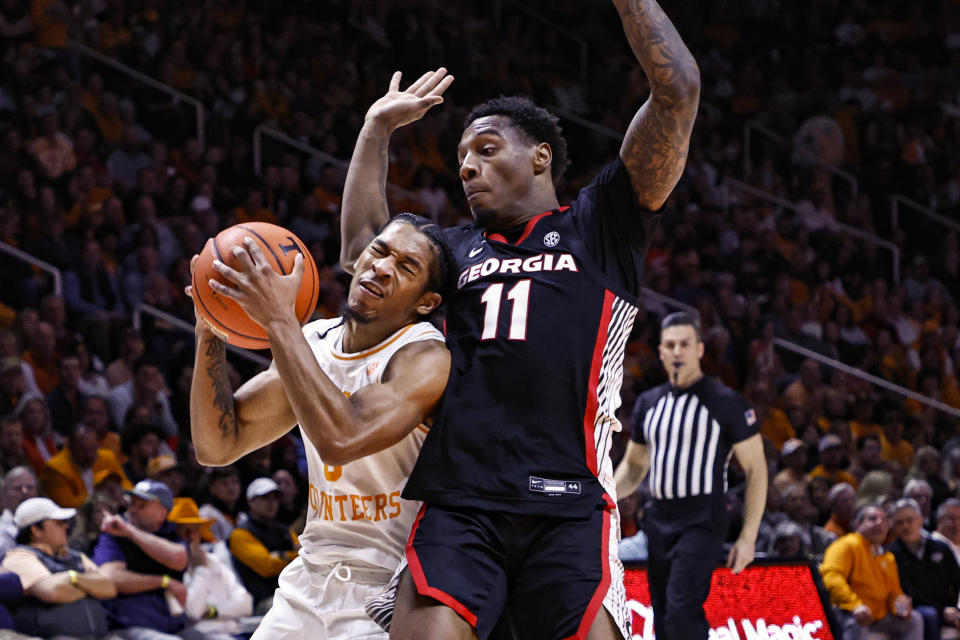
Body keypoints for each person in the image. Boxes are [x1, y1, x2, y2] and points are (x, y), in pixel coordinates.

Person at [339, 1, 700, 636]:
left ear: (539, 157)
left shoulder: (600, 224)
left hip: (572, 503)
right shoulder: (452, 251)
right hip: (460, 503)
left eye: (484, 149)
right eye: (460, 162)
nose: (468, 168)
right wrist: (375, 131)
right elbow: (362, 250)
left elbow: (677, 93)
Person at [187, 213, 452, 639]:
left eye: (406, 267)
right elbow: (218, 445)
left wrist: (278, 321)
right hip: (307, 581)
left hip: (389, 591)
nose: (382, 267)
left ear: (426, 302)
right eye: (379, 251)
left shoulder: (425, 359)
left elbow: (342, 438)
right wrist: (211, 328)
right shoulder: (313, 343)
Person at [614, 312, 767, 640]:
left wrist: (748, 537)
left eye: (685, 344)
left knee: (682, 610)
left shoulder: (726, 402)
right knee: (664, 617)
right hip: (658, 517)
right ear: (661, 352)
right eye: (671, 345)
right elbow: (634, 466)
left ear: (699, 349)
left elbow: (756, 470)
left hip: (703, 516)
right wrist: (603, 495)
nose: (678, 351)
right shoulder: (647, 403)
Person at [92, 479, 196, 639]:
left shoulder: (171, 535)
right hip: (129, 627)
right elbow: (109, 578)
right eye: (132, 503)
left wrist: (131, 532)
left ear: (162, 513)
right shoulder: (114, 534)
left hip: (174, 625)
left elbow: (178, 559)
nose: (132, 510)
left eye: (142, 506)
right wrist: (162, 581)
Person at [2, 497, 116, 638]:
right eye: (59, 523)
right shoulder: (19, 556)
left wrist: (72, 578)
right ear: (36, 529)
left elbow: (109, 587)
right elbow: (53, 592)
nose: (66, 526)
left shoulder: (77, 556)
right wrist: (90, 587)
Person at [820, 503, 923, 640]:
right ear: (858, 524)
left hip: (879, 617)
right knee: (857, 623)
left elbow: (894, 592)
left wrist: (900, 608)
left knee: (914, 620)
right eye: (873, 519)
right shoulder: (846, 545)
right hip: (851, 612)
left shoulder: (887, 556)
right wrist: (855, 606)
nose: (879, 523)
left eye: (884, 520)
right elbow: (831, 577)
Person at [169, 498, 254, 640]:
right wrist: (201, 570)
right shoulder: (172, 567)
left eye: (194, 531)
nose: (191, 537)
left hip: (237, 632)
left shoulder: (214, 560)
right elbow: (194, 612)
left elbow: (246, 603)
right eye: (185, 531)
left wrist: (214, 611)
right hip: (203, 636)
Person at [888, 499, 960, 640]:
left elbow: (958, 580)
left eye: (910, 520)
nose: (905, 526)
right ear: (894, 527)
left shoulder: (940, 548)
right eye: (900, 523)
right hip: (916, 608)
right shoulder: (891, 553)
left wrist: (957, 608)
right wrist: (942, 610)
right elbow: (908, 590)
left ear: (920, 520)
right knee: (929, 614)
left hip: (948, 607)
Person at [227, 478, 297, 612]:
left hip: (292, 592)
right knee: (292, 608)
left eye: (275, 498)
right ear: (250, 501)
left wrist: (282, 556)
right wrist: (296, 555)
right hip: (262, 601)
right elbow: (267, 567)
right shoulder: (240, 534)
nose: (271, 503)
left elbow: (306, 558)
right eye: (265, 498)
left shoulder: (285, 531)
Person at [40, 422, 131, 508]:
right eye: (83, 450)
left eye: (93, 448)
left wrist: (124, 497)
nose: (90, 455)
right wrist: (102, 495)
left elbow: (127, 486)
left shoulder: (107, 457)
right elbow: (67, 505)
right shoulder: (55, 468)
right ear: (69, 446)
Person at [0, 467, 38, 558]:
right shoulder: (3, 532)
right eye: (17, 488)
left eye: (30, 487)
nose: (25, 491)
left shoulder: (48, 522)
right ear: (5, 495)